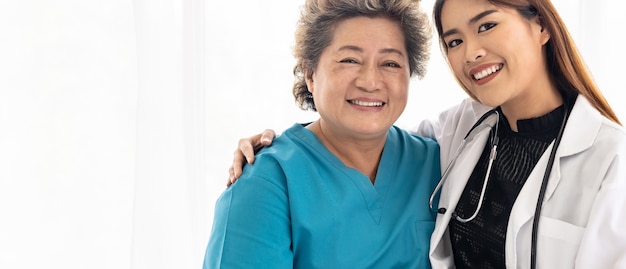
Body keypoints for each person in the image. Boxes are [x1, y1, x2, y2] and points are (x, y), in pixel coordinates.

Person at [226, 0, 626, 268]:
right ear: (309, 74)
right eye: (455, 40)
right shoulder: (456, 135)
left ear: (540, 25)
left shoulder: (612, 162)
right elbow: (355, 136)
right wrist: (266, 149)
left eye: (486, 25)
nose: (471, 53)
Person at [203, 0, 440, 268]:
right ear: (310, 74)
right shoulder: (266, 183)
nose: (371, 82)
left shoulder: (440, 164)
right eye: (350, 60)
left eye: (391, 63)